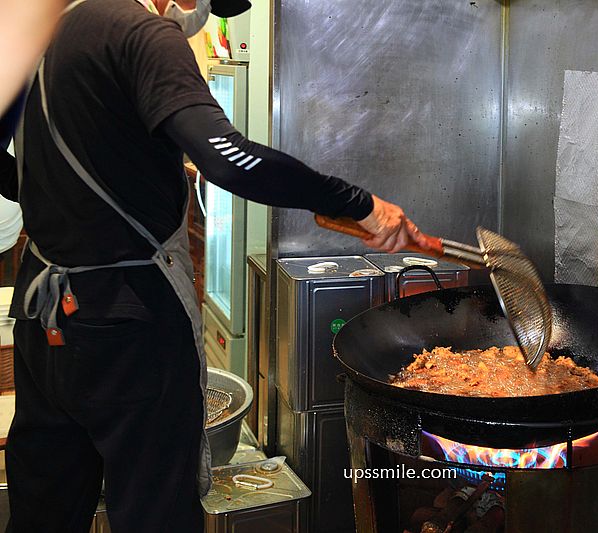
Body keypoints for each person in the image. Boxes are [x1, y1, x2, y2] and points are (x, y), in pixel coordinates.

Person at [0, 0, 427, 531]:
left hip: (44, 316)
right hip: (130, 322)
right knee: (156, 513)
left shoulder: (36, 34)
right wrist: (359, 203)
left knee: (44, 510)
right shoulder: (142, 34)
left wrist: (49, 195)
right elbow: (230, 158)